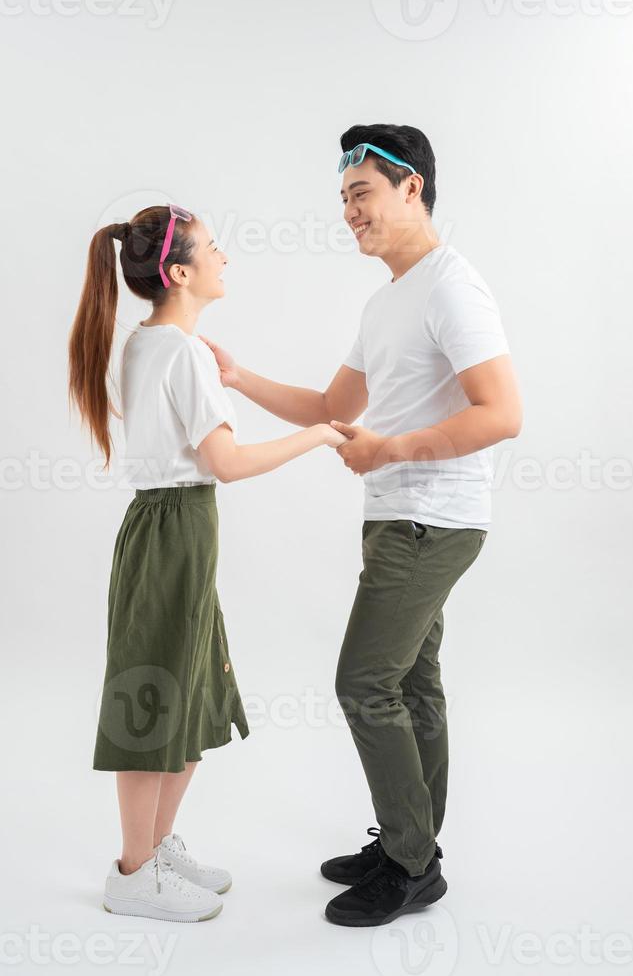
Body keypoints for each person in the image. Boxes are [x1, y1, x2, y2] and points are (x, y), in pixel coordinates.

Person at [200, 124, 523, 927]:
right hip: (398, 520)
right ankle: (411, 845)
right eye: (344, 198)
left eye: (362, 194)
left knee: (362, 683)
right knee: (411, 683)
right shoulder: (388, 301)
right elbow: (331, 409)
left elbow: (504, 414)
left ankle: (412, 864)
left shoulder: (452, 285)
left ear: (412, 188)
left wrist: (394, 451)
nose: (350, 212)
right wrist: (238, 379)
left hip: (432, 521)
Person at [67, 203, 346, 924]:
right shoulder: (179, 352)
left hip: (171, 531)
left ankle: (153, 850)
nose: (226, 260)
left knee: (190, 692)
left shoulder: (146, 345)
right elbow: (225, 462)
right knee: (153, 695)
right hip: (174, 529)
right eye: (215, 250)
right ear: (180, 272)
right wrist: (315, 435)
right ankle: (132, 873)